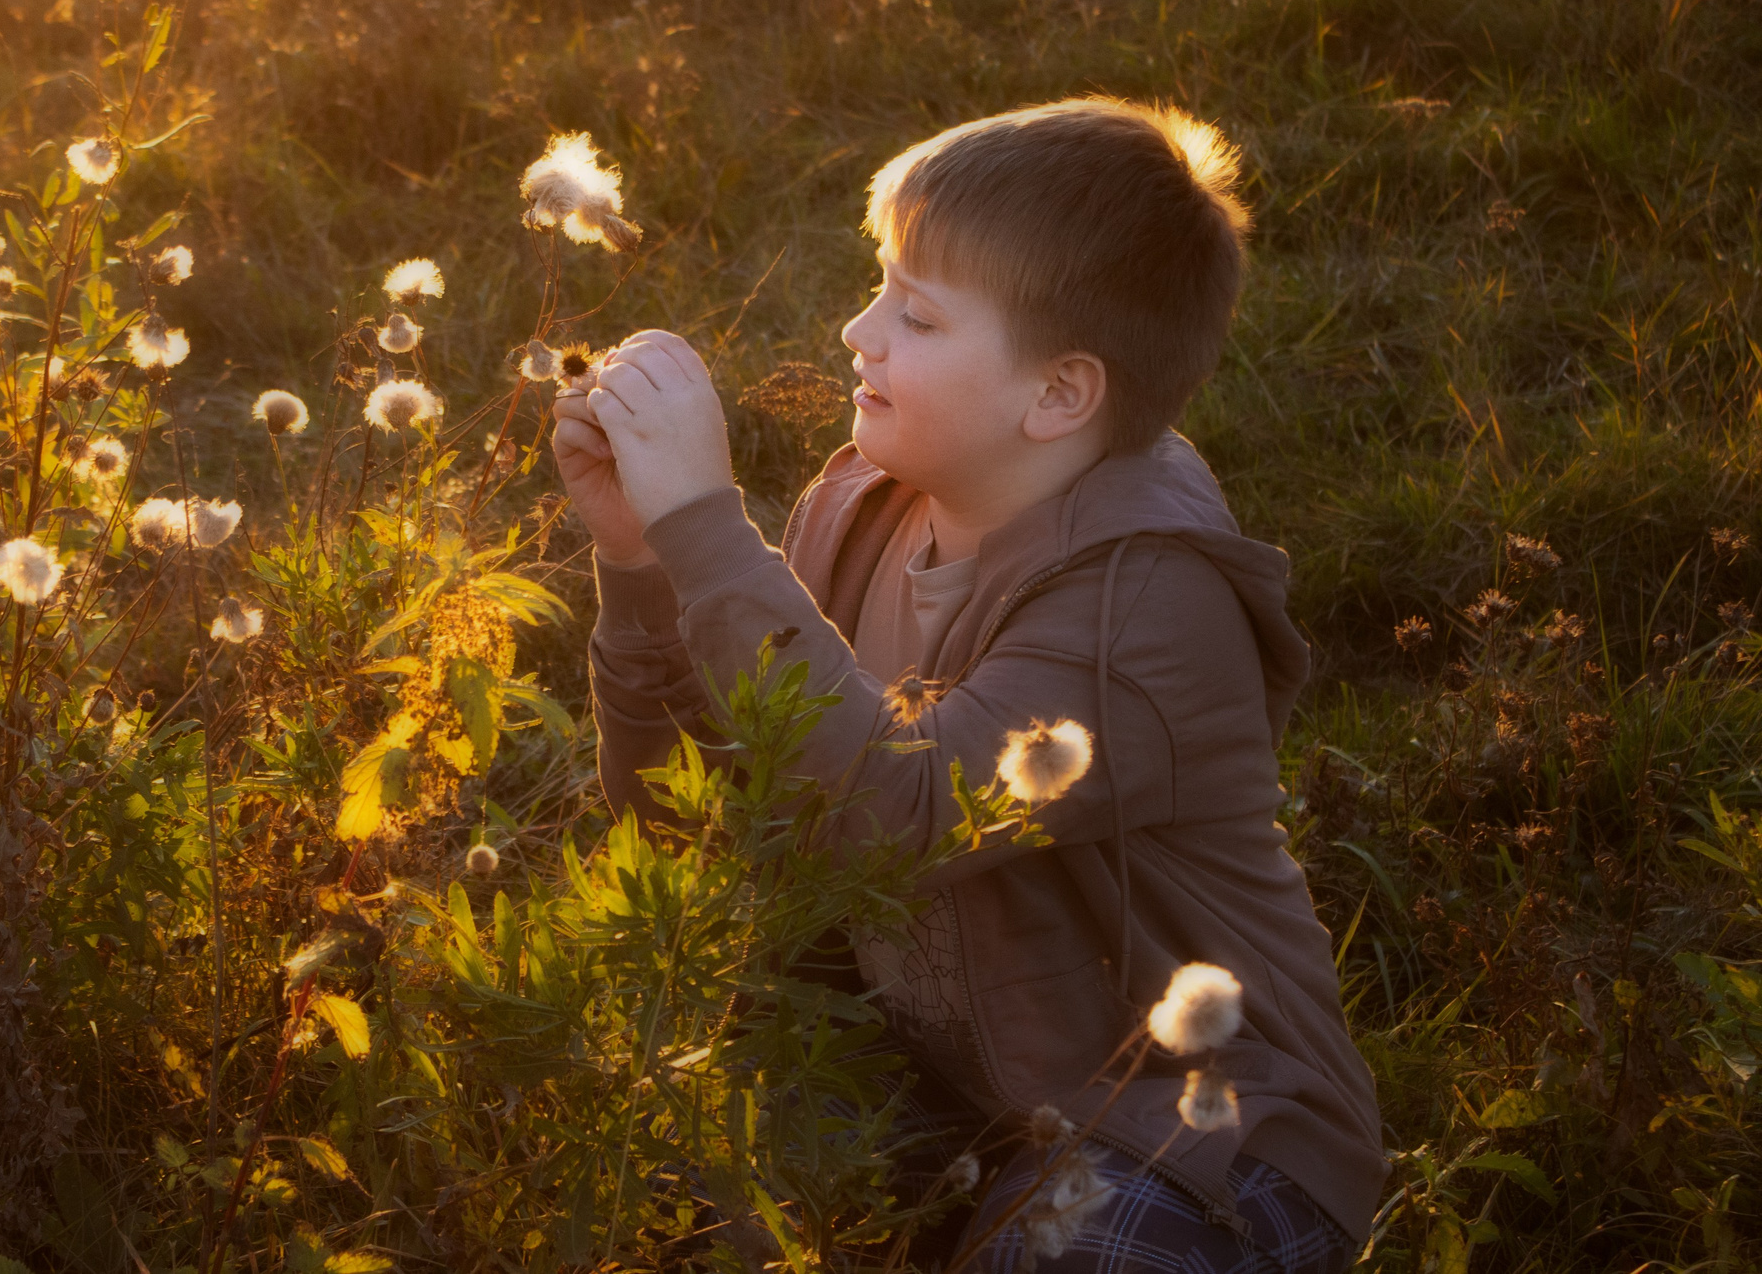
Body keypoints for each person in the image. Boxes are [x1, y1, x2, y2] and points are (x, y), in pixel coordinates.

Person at [550, 99, 1383, 1270]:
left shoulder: (1146, 604)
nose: (858, 330)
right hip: (950, 1090)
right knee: (655, 1164)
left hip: (1193, 1125)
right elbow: (702, 828)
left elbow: (905, 814)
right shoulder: (855, 515)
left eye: (918, 316)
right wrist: (641, 561)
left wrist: (706, 526)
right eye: (878, 286)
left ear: (1057, 395)